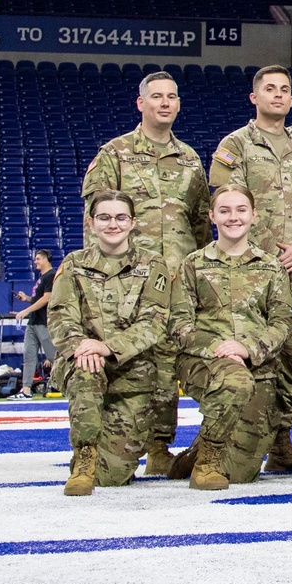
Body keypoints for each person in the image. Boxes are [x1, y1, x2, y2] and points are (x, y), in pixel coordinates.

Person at [81, 70, 210, 476]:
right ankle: (115, 440)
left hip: (175, 281)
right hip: (128, 283)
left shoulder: (189, 157)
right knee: (135, 358)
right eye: (157, 96)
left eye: (172, 96)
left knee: (168, 361)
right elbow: (95, 219)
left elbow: (199, 223)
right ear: (141, 103)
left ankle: (158, 446)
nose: (165, 103)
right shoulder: (115, 153)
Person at [209, 65, 292, 474]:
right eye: (269, 89)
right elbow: (228, 204)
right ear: (254, 98)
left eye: (284, 90)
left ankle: (280, 441)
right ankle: (236, 442)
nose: (277, 95)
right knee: (250, 358)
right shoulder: (235, 145)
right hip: (246, 276)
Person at [169, 184, 292, 491]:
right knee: (234, 382)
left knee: (240, 473)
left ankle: (197, 449)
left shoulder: (270, 266)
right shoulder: (193, 265)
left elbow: (282, 320)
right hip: (205, 363)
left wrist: (248, 348)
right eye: (224, 211)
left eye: (241, 210)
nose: (233, 218)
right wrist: (218, 349)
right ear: (212, 216)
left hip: (258, 366)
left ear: (253, 215)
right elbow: (178, 323)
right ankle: (207, 459)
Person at [49, 194, 174, 493]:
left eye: (120, 217)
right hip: (84, 363)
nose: (112, 224)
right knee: (86, 370)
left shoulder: (152, 264)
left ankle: (108, 452)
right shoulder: (74, 264)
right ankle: (84, 456)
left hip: (133, 376)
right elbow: (59, 316)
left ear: (133, 223)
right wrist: (82, 346)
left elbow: (153, 322)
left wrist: (107, 347)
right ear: (91, 223)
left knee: (111, 477)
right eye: (104, 217)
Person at [10, 249, 56, 399]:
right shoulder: (42, 277)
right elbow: (39, 300)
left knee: (53, 356)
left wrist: (25, 310)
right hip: (34, 322)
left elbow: (47, 298)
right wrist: (28, 299)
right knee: (29, 356)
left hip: (44, 323)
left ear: (45, 260)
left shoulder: (51, 275)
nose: (35, 261)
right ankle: (26, 390)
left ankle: (66, 385)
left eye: (38, 259)